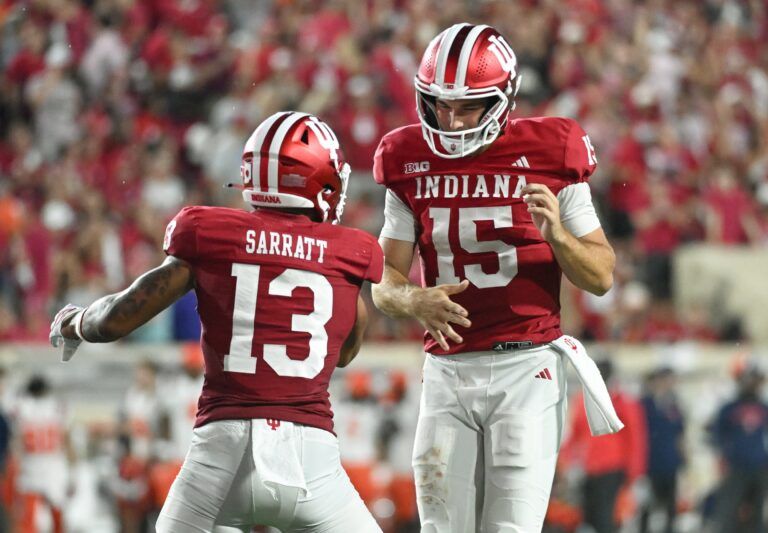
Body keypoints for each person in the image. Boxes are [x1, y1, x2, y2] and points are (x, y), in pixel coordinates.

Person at [50, 111, 384, 533]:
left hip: (220, 458)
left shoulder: (209, 232)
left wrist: (75, 321)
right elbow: (345, 354)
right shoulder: (351, 250)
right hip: (312, 461)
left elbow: (117, 319)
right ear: (321, 182)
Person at [371, 22, 619, 532]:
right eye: (440, 103)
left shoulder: (554, 149)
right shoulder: (405, 157)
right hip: (446, 369)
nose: (451, 119)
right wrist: (414, 300)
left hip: (526, 369)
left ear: (503, 99)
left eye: (467, 106)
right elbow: (383, 279)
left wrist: (557, 236)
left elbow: (601, 277)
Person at [710, 360, 768, 533]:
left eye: (756, 379)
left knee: (757, 512)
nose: (753, 383)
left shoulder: (764, 408)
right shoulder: (729, 409)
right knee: (729, 511)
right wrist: (724, 458)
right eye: (749, 378)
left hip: (760, 467)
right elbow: (717, 436)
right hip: (736, 467)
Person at [639, 367, 685, 533]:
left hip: (670, 461)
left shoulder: (674, 405)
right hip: (649, 462)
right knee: (647, 505)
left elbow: (680, 433)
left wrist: (683, 458)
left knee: (670, 505)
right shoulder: (644, 404)